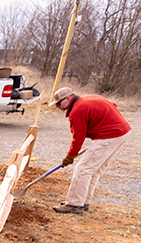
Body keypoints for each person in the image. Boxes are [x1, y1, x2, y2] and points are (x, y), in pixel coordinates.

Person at [50, 87, 131, 215]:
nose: (57, 107)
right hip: (121, 132)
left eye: (58, 103)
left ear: (67, 99)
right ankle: (83, 201)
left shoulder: (77, 111)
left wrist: (70, 156)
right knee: (94, 170)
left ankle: (74, 204)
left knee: (82, 169)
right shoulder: (87, 99)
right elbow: (113, 105)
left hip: (109, 135)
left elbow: (78, 138)